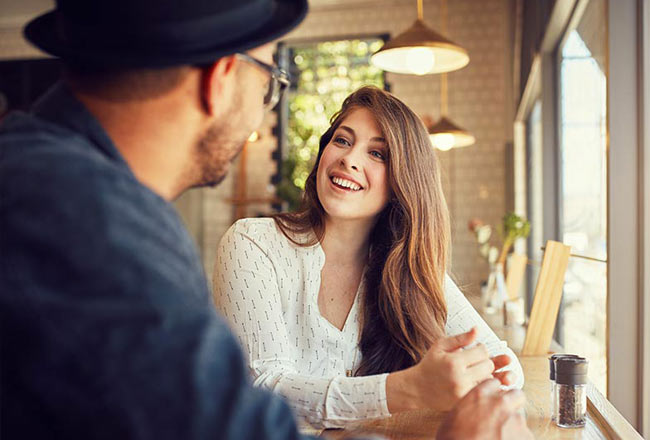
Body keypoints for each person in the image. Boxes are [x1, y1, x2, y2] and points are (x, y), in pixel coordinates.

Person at [0, 0, 532, 437]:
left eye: (378, 154)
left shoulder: (52, 181)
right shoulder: (96, 230)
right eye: (271, 83)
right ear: (222, 78)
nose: (349, 160)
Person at [212, 86, 525, 429]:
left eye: (378, 154)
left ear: (403, 183)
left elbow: (500, 361)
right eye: (343, 141)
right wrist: (408, 389)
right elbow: (265, 388)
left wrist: (488, 375)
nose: (350, 159)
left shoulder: (407, 267)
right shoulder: (251, 243)